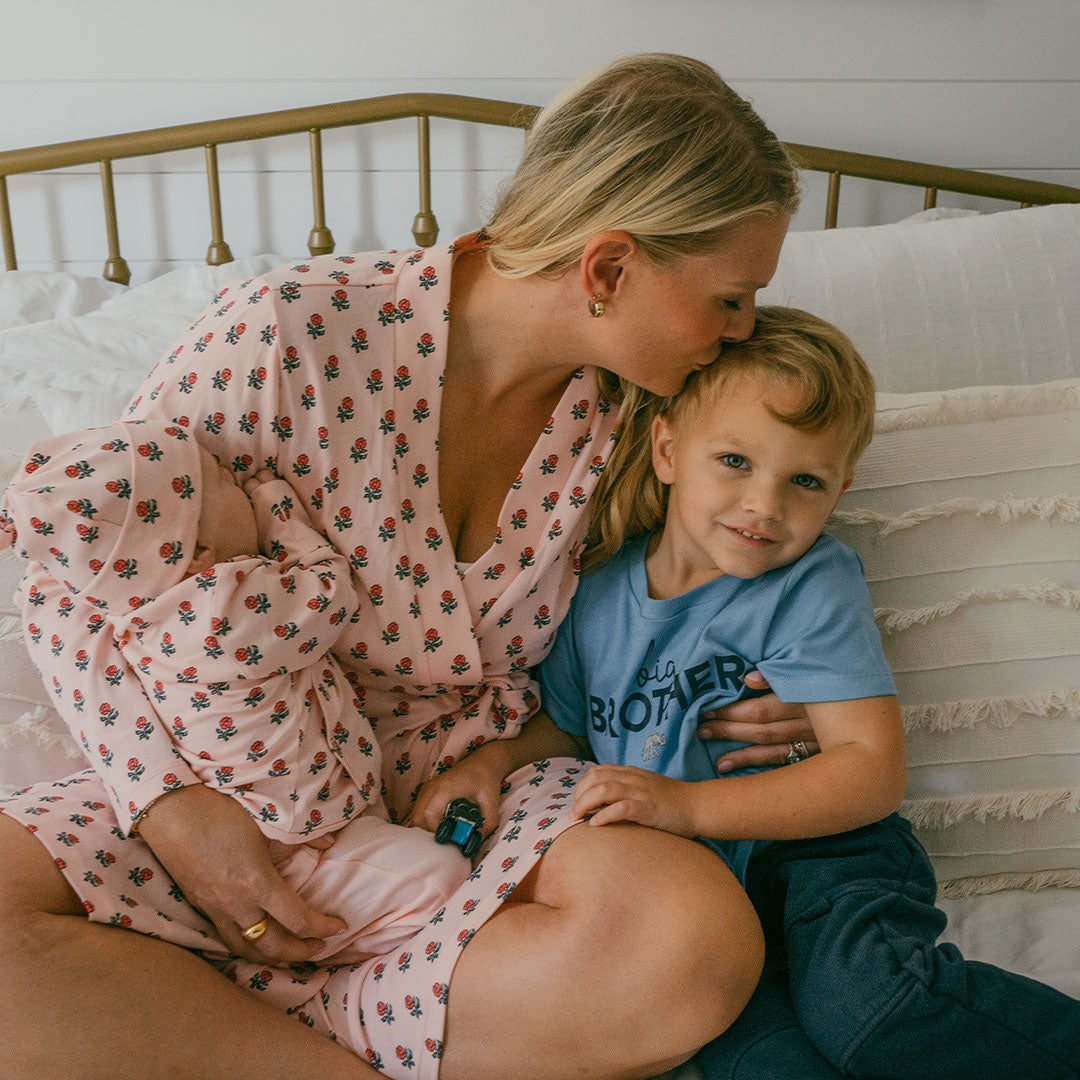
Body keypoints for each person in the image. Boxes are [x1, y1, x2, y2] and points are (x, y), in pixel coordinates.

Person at [0, 54, 806, 1080]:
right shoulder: (289, 334)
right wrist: (172, 810)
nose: (743, 330)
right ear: (607, 270)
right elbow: (79, 573)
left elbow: (704, 588)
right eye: (730, 299)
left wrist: (749, 683)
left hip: (467, 800)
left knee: (691, 948)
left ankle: (226, 1024)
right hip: (228, 770)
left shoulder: (647, 414)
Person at [520, 306, 1077, 1080]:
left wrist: (684, 808)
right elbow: (568, 729)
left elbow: (869, 771)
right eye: (736, 462)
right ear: (668, 448)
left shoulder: (810, 583)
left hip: (823, 854)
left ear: (839, 488)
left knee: (874, 1011)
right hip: (706, 898)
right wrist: (489, 765)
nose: (766, 506)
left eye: (804, 481)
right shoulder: (596, 592)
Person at [0, 420, 471, 964]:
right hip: (292, 842)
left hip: (274, 821)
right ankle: (325, 958)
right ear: (199, 550)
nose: (236, 478)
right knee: (441, 878)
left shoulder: (136, 620)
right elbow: (328, 594)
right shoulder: (222, 607)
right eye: (221, 482)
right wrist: (277, 506)